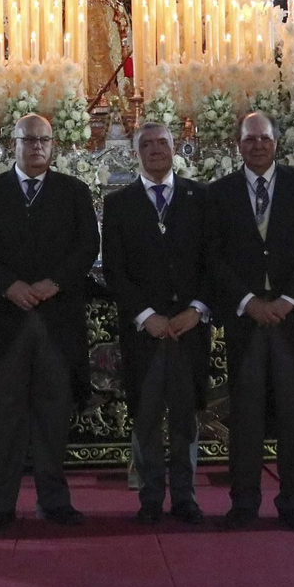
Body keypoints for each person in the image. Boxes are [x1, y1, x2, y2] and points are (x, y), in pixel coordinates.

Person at [0, 114, 100, 531]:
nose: (37, 146)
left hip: (56, 322)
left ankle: (53, 499)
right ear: (13, 143)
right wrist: (8, 286)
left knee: (53, 413)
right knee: (5, 415)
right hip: (6, 322)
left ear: (53, 145)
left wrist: (54, 282)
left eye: (44, 140)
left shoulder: (73, 192)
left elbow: (87, 245)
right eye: (29, 139)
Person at [206, 111, 294, 531]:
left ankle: (293, 502)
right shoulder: (219, 193)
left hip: (291, 322)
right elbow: (213, 256)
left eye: (264, 138)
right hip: (246, 322)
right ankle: (244, 502)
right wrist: (248, 302)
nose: (257, 145)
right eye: (249, 139)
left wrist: (288, 301)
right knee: (245, 417)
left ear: (277, 142)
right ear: (237, 145)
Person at [102, 121, 212, 526]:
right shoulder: (119, 204)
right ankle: (150, 498)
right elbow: (115, 270)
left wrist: (196, 309)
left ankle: (185, 497)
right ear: (136, 153)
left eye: (161, 143)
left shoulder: (201, 198)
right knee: (146, 417)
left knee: (186, 418)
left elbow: (213, 262)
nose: (155, 150)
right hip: (145, 334)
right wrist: (146, 316)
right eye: (146, 145)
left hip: (189, 328)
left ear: (174, 147)